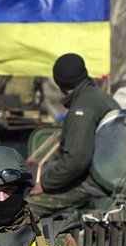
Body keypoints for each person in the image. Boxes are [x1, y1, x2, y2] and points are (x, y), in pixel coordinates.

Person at [27, 53, 120, 217]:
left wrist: (45, 184)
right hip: (106, 174)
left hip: (91, 182)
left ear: (60, 83)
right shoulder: (100, 98)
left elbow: (77, 159)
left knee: (25, 208)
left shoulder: (83, 108)